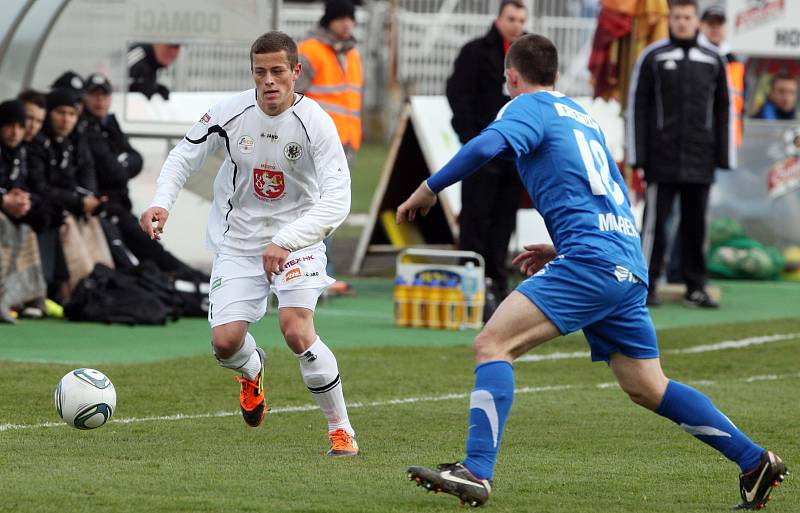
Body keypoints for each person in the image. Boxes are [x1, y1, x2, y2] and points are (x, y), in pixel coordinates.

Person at [397, 33, 786, 510]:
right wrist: (563, 244)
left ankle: (476, 470)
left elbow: (484, 147)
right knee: (647, 385)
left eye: (507, 78)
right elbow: (614, 192)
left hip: (592, 261)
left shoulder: (525, 106)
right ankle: (753, 461)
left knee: (492, 343)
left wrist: (430, 187)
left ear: (512, 77)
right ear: (556, 75)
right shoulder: (584, 117)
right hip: (623, 259)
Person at [138, 31, 358, 456]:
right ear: (252, 73)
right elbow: (184, 155)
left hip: (298, 241)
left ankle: (340, 429)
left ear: (296, 72)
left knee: (295, 328)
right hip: (237, 242)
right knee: (225, 343)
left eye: (278, 71)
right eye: (260, 73)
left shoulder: (316, 123)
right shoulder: (229, 111)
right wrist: (161, 203)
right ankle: (252, 371)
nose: (269, 81)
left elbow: (337, 201)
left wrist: (286, 239)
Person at [628, 0, 731, 308]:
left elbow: (724, 109)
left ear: (696, 20)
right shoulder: (653, 56)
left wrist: (723, 156)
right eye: (677, 17)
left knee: (695, 225)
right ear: (670, 19)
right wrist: (639, 157)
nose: (682, 22)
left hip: (701, 159)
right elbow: (638, 106)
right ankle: (644, 286)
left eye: (687, 17)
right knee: (654, 226)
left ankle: (695, 287)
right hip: (662, 159)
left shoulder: (713, 59)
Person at [445, 0, 527, 309]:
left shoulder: (528, 56)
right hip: (482, 149)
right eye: (511, 18)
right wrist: (473, 140)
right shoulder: (476, 52)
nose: (516, 24)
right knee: (476, 217)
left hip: (515, 153)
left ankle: (499, 279)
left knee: (505, 218)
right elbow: (458, 95)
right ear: (499, 19)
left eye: (521, 19)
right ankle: (473, 281)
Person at [82, 72, 193, 275]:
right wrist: (121, 163)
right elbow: (112, 171)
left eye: (104, 95)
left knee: (152, 250)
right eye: (94, 95)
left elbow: (136, 159)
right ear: (84, 98)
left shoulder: (109, 125)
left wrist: (119, 164)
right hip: (106, 211)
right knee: (142, 255)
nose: (99, 100)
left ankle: (195, 281)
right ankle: (191, 282)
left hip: (120, 207)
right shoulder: (86, 129)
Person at [296, 0, 363, 296]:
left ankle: (321, 273)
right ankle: (316, 273)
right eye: (342, 18)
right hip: (314, 143)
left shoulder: (352, 54)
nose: (348, 23)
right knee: (315, 207)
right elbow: (292, 95)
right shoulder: (310, 51)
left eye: (351, 18)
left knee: (330, 208)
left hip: (345, 144)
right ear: (329, 20)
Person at [0, 99, 47, 321]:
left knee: (30, 225)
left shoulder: (20, 153)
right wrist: (4, 200)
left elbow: (30, 187)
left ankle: (29, 297)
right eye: (9, 125)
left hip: (11, 213)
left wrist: (24, 201)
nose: (15, 132)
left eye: (20, 126)